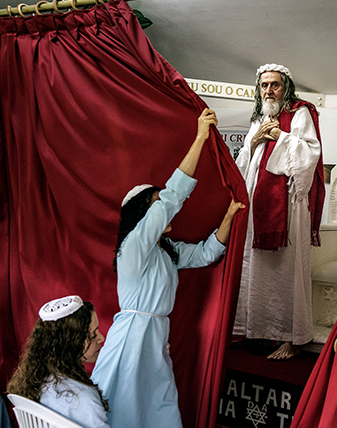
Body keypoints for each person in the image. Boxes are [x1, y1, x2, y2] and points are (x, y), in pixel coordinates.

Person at [90, 109, 244, 428]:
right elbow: (172, 198)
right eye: (156, 205)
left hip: (155, 338)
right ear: (143, 216)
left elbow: (204, 254)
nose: (164, 209)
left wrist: (230, 217)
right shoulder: (133, 247)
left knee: (159, 410)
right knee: (123, 413)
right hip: (131, 343)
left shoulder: (166, 252)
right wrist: (200, 137)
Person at [233, 63, 325, 360]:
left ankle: (290, 336)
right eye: (264, 86)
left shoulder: (300, 113)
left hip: (289, 206)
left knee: (287, 270)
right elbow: (245, 162)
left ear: (285, 87)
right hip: (256, 208)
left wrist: (281, 138)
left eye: (275, 85)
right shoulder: (258, 118)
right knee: (254, 267)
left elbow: (310, 152)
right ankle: (255, 330)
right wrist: (257, 139)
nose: (269, 90)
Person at [8, 295, 109, 428]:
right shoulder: (82, 398)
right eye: (93, 335)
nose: (101, 338)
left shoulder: (37, 380)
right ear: (71, 342)